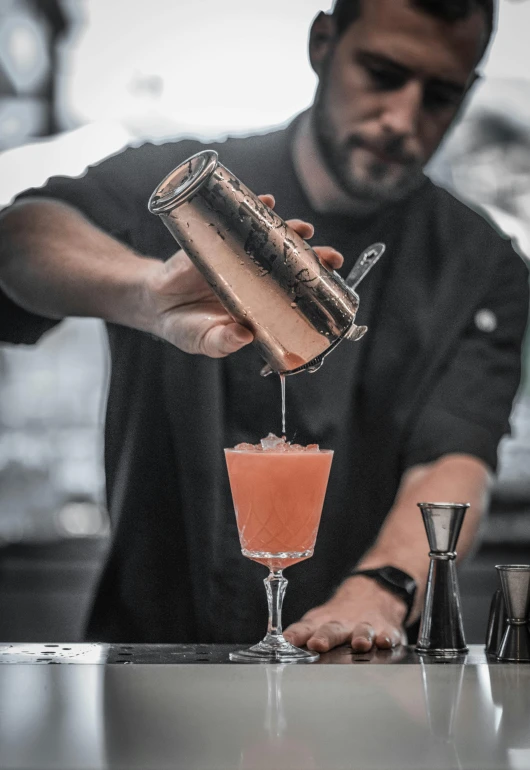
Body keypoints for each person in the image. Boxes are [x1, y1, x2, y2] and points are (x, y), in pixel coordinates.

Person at [0, 0, 528, 653]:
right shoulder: (198, 193)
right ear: (323, 43)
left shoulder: (481, 264)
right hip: (148, 666)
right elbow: (21, 239)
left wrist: (379, 590)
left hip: (355, 673)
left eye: (440, 96)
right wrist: (146, 294)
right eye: (382, 73)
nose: (403, 119)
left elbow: (452, 461)